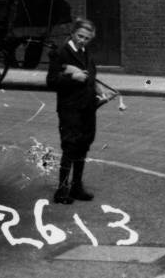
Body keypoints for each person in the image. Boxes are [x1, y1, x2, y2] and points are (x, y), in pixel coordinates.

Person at [44, 18, 100, 204]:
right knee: (70, 146)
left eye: (87, 38)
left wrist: (99, 93)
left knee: (83, 145)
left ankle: (77, 187)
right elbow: (51, 81)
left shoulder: (86, 53)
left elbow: (91, 77)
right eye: (80, 36)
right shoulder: (60, 53)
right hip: (70, 109)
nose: (82, 41)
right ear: (73, 33)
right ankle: (61, 191)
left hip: (87, 108)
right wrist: (73, 78)